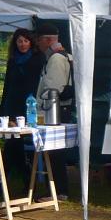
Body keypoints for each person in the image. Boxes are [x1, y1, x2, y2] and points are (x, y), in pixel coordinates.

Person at [0, 28, 43, 192]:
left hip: (29, 106)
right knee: (12, 142)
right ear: (15, 43)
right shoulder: (13, 60)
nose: (22, 44)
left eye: (25, 41)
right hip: (12, 104)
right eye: (19, 41)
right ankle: (24, 182)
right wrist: (3, 109)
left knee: (13, 145)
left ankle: (5, 181)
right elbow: (7, 85)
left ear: (30, 42)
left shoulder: (38, 58)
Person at [34, 21, 76, 196]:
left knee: (55, 153)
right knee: (54, 152)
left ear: (49, 40)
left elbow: (53, 89)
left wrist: (39, 104)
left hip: (55, 111)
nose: (37, 43)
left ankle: (59, 191)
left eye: (39, 40)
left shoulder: (56, 58)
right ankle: (57, 190)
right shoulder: (62, 55)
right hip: (59, 110)